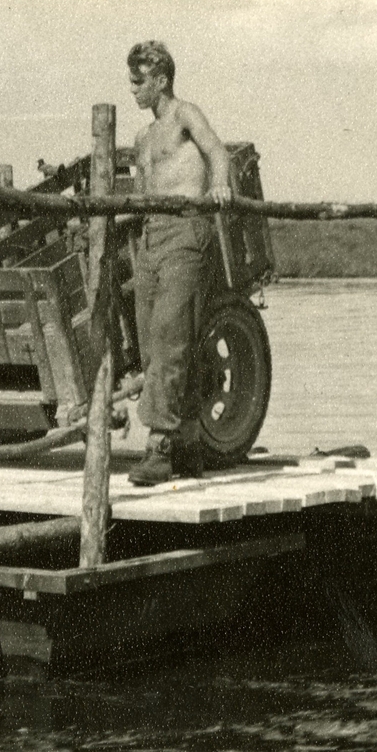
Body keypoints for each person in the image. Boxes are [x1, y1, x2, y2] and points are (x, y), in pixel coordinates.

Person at [125, 41, 232, 486]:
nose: (133, 88)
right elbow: (141, 192)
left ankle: (159, 448)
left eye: (139, 80)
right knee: (153, 343)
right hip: (152, 236)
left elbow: (218, 153)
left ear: (161, 79)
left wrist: (220, 186)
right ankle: (187, 443)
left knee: (171, 335)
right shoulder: (142, 138)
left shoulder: (186, 114)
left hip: (187, 231)